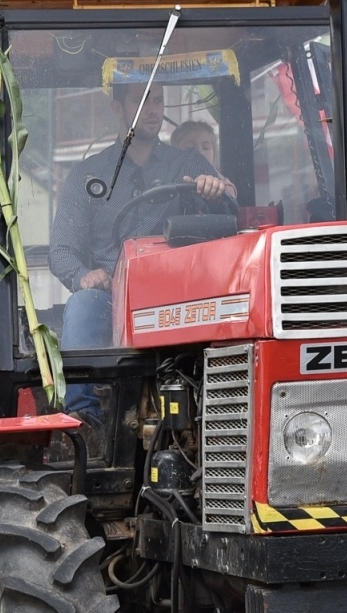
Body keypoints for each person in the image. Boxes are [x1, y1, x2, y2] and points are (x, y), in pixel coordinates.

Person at [49, 82, 234, 420]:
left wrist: (215, 192)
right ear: (117, 107)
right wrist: (83, 276)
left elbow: (231, 206)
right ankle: (82, 420)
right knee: (82, 305)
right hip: (113, 298)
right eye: (141, 100)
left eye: (159, 100)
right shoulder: (86, 175)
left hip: (180, 294)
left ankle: (221, 412)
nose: (153, 109)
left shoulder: (187, 161)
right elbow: (61, 250)